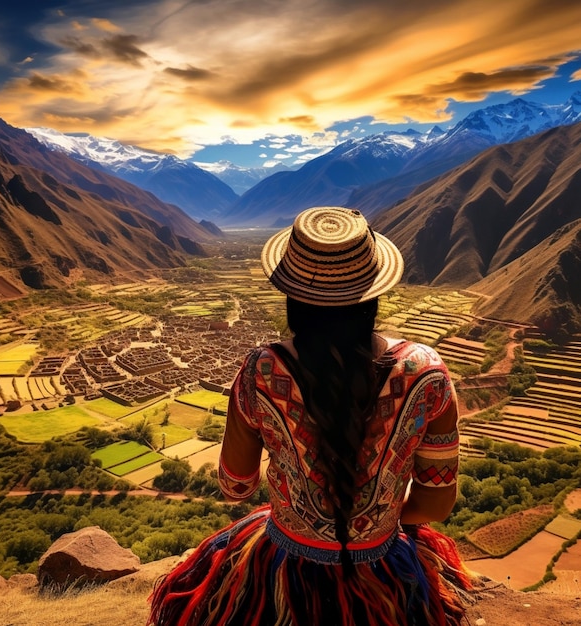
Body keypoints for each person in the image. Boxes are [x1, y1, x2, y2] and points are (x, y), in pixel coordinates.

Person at [148, 206, 472, 626]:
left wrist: (295, 507)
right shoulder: (427, 373)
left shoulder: (260, 372)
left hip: (283, 570)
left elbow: (236, 486)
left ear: (292, 298)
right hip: (385, 573)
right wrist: (375, 523)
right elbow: (436, 501)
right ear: (373, 294)